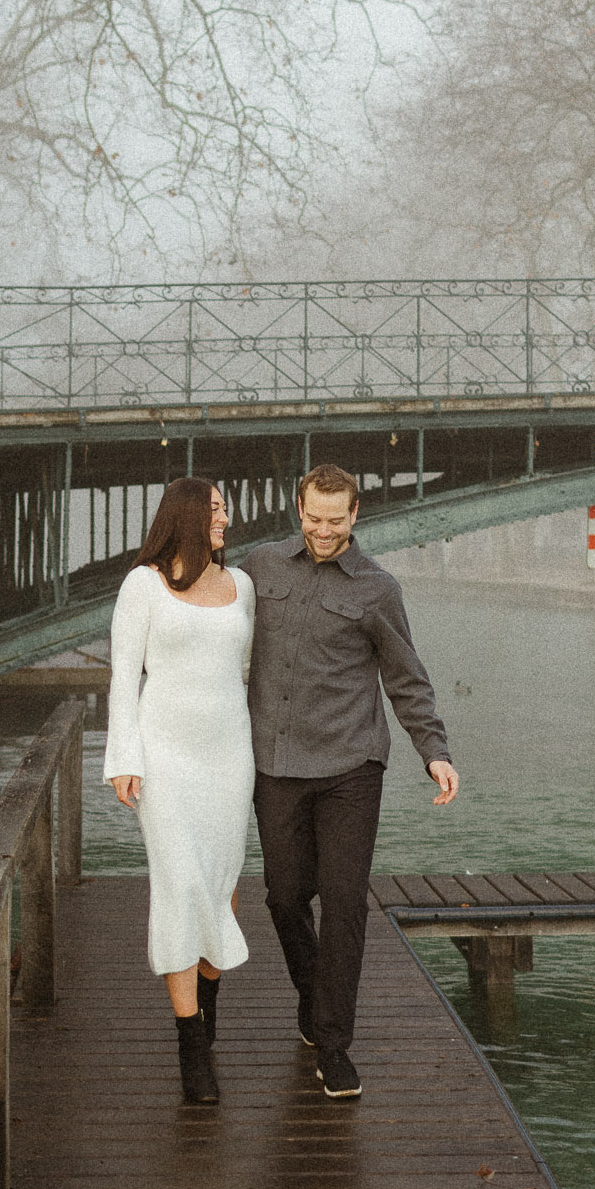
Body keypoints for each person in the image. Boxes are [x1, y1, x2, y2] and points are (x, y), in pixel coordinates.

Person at [242, 462, 459, 1099]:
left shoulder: (377, 590)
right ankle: (314, 998)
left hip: (350, 768)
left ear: (356, 515)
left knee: (343, 905)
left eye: (336, 521)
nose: (324, 531)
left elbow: (406, 678)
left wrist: (434, 751)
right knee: (284, 897)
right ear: (297, 508)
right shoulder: (260, 567)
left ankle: (334, 1045)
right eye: (314, 519)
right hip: (276, 765)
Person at [103, 477, 256, 1104]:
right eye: (217, 509)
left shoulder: (242, 585)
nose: (227, 518)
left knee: (220, 886)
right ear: (188, 517)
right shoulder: (143, 585)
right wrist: (123, 758)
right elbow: (121, 676)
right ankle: (192, 1045)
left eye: (226, 508)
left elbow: (245, 673)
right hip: (166, 758)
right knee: (180, 885)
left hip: (229, 757)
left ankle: (209, 1014)